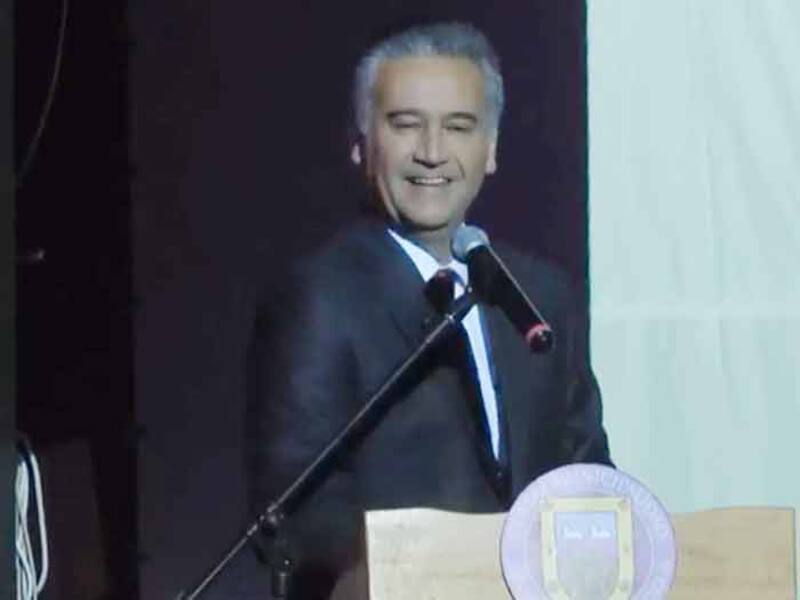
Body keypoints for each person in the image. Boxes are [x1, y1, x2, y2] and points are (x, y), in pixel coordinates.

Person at [247, 21, 611, 599]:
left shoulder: (539, 295)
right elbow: (296, 504)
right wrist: (440, 565)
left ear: (490, 149)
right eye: (405, 124)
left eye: (458, 127)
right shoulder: (321, 296)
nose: (432, 152)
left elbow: (586, 473)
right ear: (361, 142)